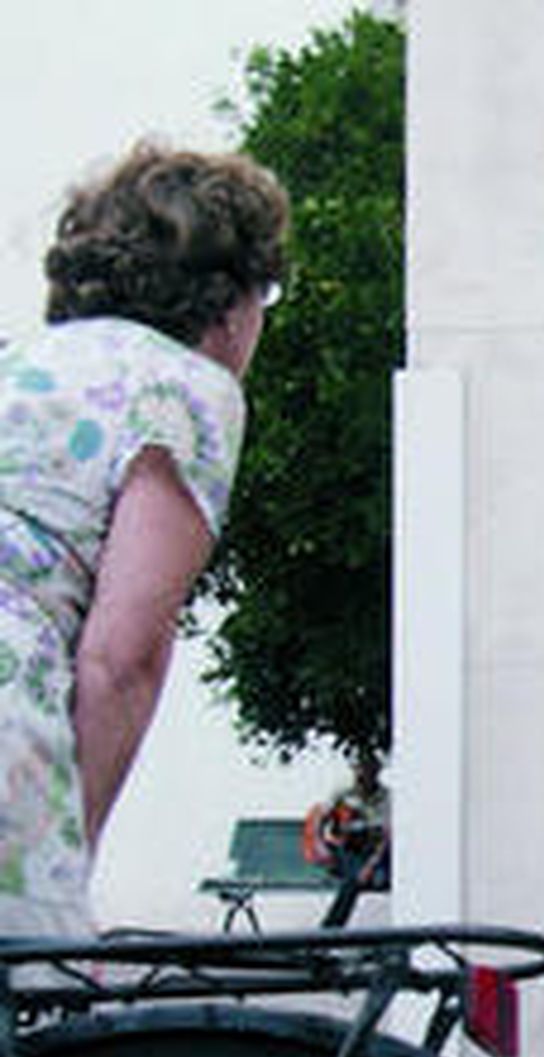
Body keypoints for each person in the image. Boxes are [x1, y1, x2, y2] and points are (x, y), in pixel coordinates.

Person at [0, 141, 288, 937]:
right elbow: (121, 658)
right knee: (39, 984)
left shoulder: (19, 363)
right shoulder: (185, 390)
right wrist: (67, 863)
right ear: (229, 301)